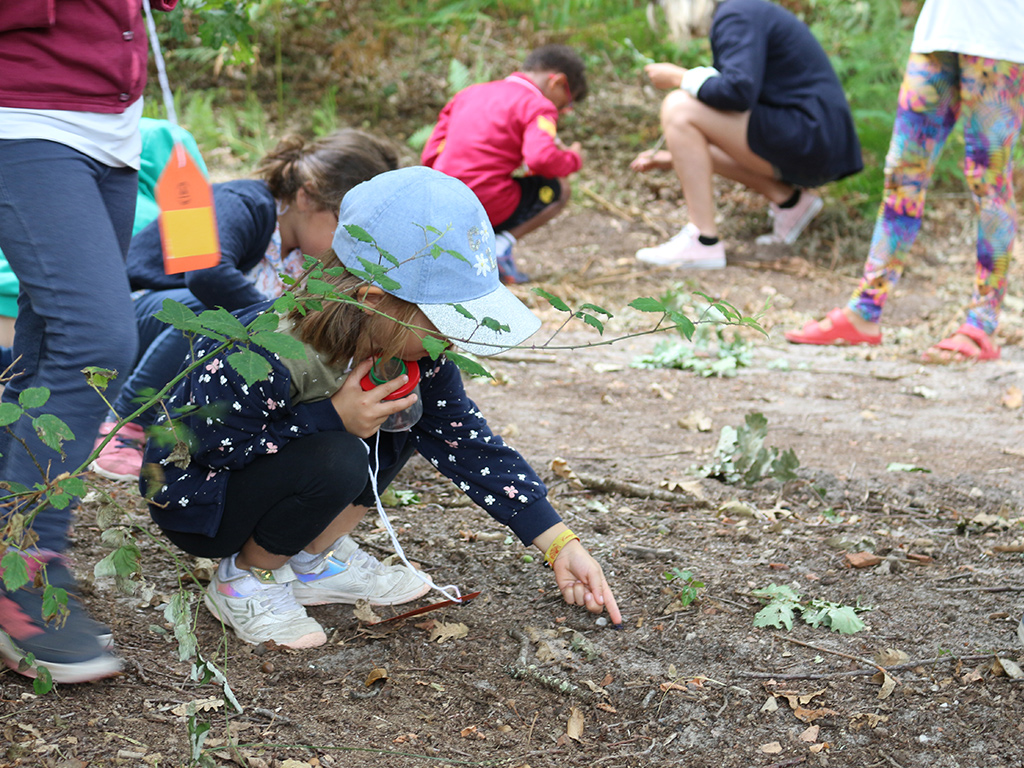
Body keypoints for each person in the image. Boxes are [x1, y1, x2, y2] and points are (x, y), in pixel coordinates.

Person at [140, 167, 622, 648]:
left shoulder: (414, 354)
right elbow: (212, 448)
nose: (452, 340)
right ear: (373, 301)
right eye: (443, 321)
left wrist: (558, 543)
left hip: (275, 477)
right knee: (339, 455)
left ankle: (310, 558)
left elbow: (466, 442)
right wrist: (330, 418)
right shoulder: (265, 352)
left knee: (407, 414)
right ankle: (245, 580)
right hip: (204, 504)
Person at [0, 0, 178, 683]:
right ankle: (24, 567)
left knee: (46, 350)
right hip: (24, 115)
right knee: (95, 343)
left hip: (114, 130)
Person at [90, 129, 398, 482]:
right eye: (342, 225)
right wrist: (279, 321)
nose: (346, 243)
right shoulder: (243, 201)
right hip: (139, 316)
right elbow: (205, 274)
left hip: (190, 350)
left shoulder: (306, 257)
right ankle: (126, 426)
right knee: (212, 312)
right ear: (306, 195)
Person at [785, 0, 1024, 363]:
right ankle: (865, 311)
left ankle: (982, 324)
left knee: (988, 179)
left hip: (1001, 41)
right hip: (938, 31)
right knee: (902, 174)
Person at [630, 0, 863, 269]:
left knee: (679, 108)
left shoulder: (736, 13)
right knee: (695, 119)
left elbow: (737, 92)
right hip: (819, 141)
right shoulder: (742, 11)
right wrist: (675, 158)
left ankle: (703, 240)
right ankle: (791, 203)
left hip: (810, 136)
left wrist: (680, 78)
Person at [421, 44, 585, 285]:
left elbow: (430, 154)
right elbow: (541, 158)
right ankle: (498, 248)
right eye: (565, 104)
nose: (562, 111)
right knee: (559, 188)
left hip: (440, 197)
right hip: (487, 201)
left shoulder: (468, 93)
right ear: (557, 82)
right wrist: (573, 158)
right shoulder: (538, 105)